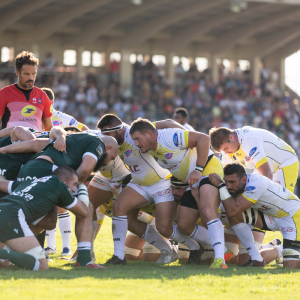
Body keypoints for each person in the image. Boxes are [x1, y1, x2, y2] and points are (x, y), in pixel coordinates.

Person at [98, 114, 202, 265]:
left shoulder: (137, 132)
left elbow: (167, 122)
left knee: (164, 227)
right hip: (139, 183)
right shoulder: (111, 140)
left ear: (120, 130)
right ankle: (119, 257)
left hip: (162, 182)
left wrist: (184, 140)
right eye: (103, 135)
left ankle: (195, 247)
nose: (106, 139)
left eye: (108, 134)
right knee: (119, 208)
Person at [129, 118, 229, 269]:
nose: (136, 143)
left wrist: (198, 169)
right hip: (191, 180)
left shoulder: (168, 137)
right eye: (134, 140)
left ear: (149, 133)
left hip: (208, 169)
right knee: (184, 225)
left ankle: (220, 259)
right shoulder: (150, 147)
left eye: (137, 139)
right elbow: (168, 121)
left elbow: (204, 138)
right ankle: (221, 247)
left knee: (208, 211)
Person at [0, 166, 104, 270]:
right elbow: (84, 211)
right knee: (42, 266)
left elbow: (50, 223)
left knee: (3, 265)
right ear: (63, 181)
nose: (73, 189)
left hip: (4, 208)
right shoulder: (58, 184)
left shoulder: (31, 182)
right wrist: (82, 187)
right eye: (74, 184)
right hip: (11, 215)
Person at [209, 163, 300, 268]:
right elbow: (233, 211)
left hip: (293, 217)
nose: (228, 186)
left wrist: (221, 185)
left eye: (232, 182)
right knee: (235, 216)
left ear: (243, 180)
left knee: (290, 267)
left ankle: (282, 249)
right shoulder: (241, 184)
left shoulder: (256, 184)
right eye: (226, 181)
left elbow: (232, 209)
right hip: (271, 216)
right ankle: (256, 257)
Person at [41, 87, 88, 256]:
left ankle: (66, 247)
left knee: (62, 206)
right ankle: (51, 246)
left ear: (51, 102)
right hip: (43, 163)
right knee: (47, 205)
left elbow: (85, 130)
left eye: (42, 100)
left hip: (62, 166)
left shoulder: (62, 118)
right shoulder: (33, 116)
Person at [209, 126, 299, 192]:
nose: (225, 153)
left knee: (280, 199)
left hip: (285, 162)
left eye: (226, 148)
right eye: (222, 150)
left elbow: (267, 174)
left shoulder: (249, 140)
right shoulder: (227, 149)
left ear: (231, 137)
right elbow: (224, 176)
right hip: (266, 167)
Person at [0, 51, 52, 131]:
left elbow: (49, 129)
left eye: (34, 73)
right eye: (27, 74)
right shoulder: (4, 93)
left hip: (35, 142)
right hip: (11, 142)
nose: (31, 77)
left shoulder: (42, 95)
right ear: (17, 73)